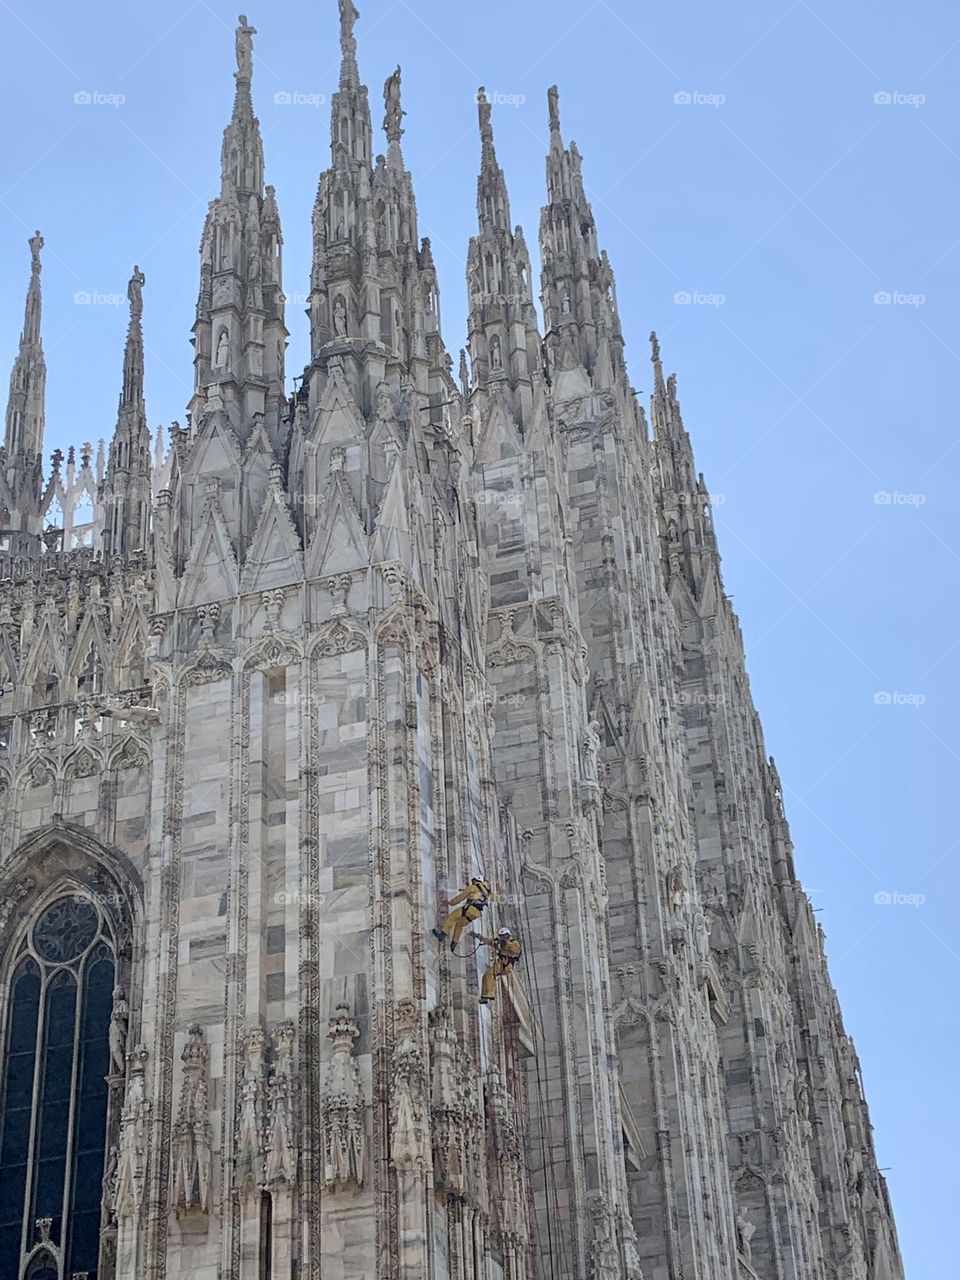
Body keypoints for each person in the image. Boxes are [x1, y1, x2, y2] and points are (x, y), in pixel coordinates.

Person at [432, 876, 493, 951]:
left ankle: (442, 934)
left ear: (476, 881)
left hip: (469, 909)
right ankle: (454, 943)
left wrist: (450, 903)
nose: (472, 882)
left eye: (473, 881)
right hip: (475, 914)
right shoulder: (485, 893)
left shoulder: (472, 887)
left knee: (452, 917)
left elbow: (461, 897)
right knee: (459, 924)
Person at [479, 928, 522, 1004]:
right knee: (486, 975)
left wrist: (505, 942)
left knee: (490, 974)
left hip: (507, 965)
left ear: (507, 935)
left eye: (503, 936)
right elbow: (491, 942)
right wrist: (480, 937)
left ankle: (490, 994)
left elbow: (515, 949)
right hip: (502, 963)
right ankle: (484, 996)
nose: (502, 938)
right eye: (501, 937)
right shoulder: (501, 945)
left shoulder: (514, 943)